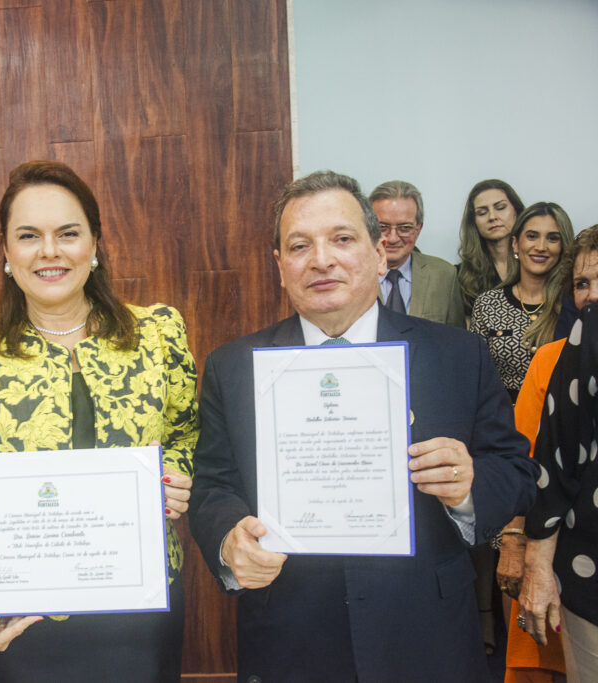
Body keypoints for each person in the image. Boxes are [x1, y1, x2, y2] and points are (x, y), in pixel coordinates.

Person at [189, 170, 537, 682]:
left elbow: (515, 471)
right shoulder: (233, 366)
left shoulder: (458, 355)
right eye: (300, 245)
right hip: (290, 635)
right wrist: (227, 540)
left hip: (426, 634)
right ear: (280, 266)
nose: (321, 259)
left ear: (379, 254)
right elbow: (215, 485)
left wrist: (468, 488)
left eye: (342, 239)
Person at [0, 160, 199, 682]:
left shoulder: (159, 332)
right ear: (6, 252)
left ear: (94, 244)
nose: (49, 251)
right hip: (23, 617)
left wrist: (174, 480)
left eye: (67, 233)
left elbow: (185, 436)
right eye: (29, 236)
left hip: (141, 603)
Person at [496, 226, 598, 682]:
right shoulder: (555, 360)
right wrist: (518, 547)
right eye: (582, 283)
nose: (592, 296)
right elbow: (539, 467)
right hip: (583, 569)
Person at [470, 202, 574, 403]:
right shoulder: (488, 304)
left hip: (558, 417)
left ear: (563, 247)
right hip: (503, 421)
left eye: (552, 238)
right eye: (532, 236)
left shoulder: (572, 303)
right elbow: (475, 374)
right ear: (516, 244)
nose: (541, 247)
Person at [369, 179, 464, 327]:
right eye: (383, 227)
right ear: (369, 228)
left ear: (418, 229)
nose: (392, 238)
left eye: (404, 228)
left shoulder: (444, 275)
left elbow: (456, 339)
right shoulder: (351, 275)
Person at [458, 179, 526, 315]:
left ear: (516, 211)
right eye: (482, 212)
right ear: (474, 222)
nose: (492, 217)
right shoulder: (461, 275)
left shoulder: (536, 263)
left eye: (500, 208)